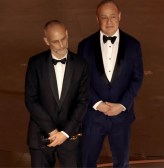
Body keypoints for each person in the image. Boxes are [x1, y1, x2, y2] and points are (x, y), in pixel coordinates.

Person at [77, 0, 144, 167]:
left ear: (120, 17)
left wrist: (122, 105)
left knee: (121, 163)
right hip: (93, 117)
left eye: (113, 16)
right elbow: (81, 80)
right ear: (97, 19)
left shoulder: (133, 45)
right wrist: (97, 103)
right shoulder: (84, 46)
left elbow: (137, 78)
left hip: (121, 116)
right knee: (86, 162)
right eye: (104, 17)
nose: (109, 22)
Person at [25, 20, 89, 167]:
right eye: (55, 42)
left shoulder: (81, 64)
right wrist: (52, 131)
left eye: (63, 39)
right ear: (46, 41)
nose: (61, 45)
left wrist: (65, 133)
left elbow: (83, 101)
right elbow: (31, 100)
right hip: (41, 135)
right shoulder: (35, 63)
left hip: (70, 136)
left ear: (67, 33)